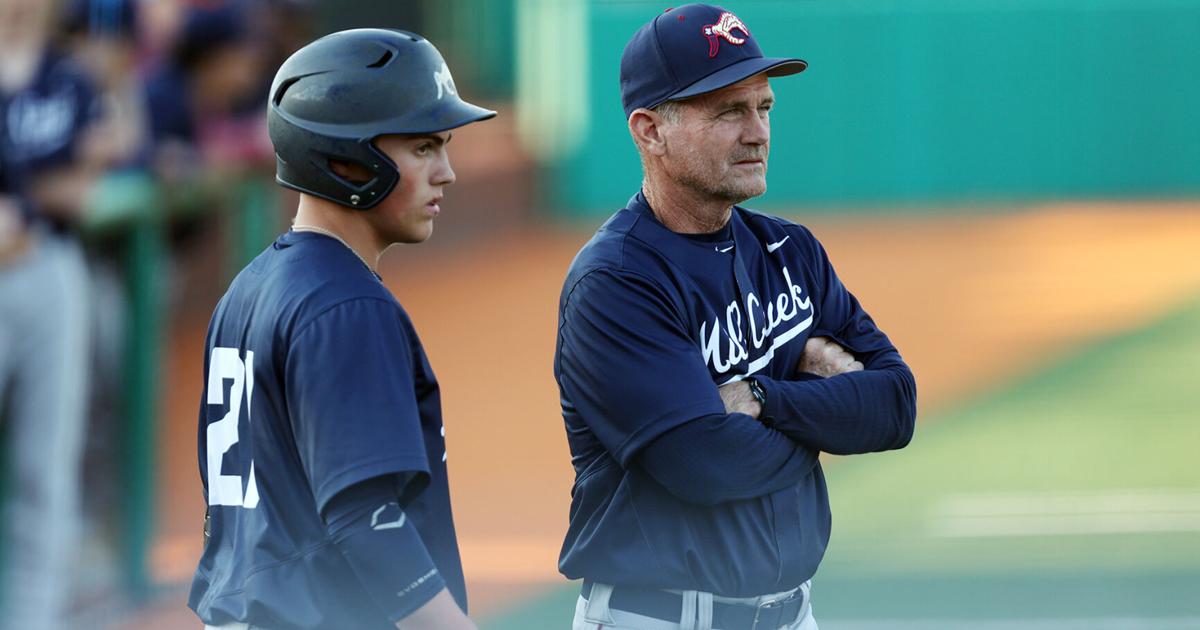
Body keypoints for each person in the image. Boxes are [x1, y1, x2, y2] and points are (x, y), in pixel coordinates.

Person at [554, 4, 917, 629]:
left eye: (764, 108)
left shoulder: (789, 250)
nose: (758, 132)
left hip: (792, 614)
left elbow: (894, 406)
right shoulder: (618, 280)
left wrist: (763, 397)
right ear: (649, 130)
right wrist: (824, 410)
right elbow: (707, 465)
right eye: (729, 111)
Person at [188, 28, 494, 630]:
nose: (447, 173)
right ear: (351, 160)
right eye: (425, 147)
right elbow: (367, 519)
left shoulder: (248, 289)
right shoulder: (346, 306)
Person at [0, 0, 107, 626]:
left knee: (46, 470)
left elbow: (83, 192)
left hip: (48, 268)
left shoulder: (69, 79)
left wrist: (27, 200)